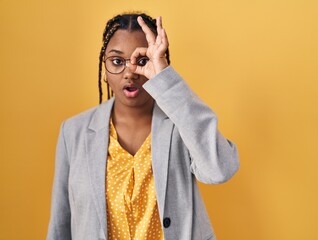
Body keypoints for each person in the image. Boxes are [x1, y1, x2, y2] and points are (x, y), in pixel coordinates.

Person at [47, 12, 239, 240]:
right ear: (104, 71)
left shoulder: (180, 124)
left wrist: (166, 79)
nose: (130, 73)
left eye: (143, 61)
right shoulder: (73, 132)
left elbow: (219, 169)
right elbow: (61, 223)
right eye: (117, 61)